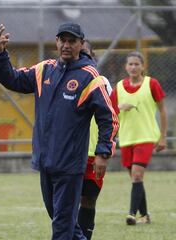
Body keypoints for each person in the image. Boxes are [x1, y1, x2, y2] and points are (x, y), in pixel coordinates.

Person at [0, 22, 118, 240]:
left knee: (62, 226)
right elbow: (13, 78)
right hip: (45, 161)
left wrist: (102, 152)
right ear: (56, 42)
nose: (66, 45)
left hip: (70, 165)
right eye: (63, 40)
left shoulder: (90, 77)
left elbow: (108, 117)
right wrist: (1, 54)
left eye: (72, 41)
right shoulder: (44, 70)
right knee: (63, 221)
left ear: (80, 44)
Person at [110, 51, 167, 225]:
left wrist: (162, 137)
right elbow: (109, 111)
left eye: (137, 64)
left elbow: (162, 111)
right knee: (136, 179)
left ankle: (131, 215)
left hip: (146, 137)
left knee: (136, 175)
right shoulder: (119, 87)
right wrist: (119, 107)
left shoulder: (152, 84)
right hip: (126, 139)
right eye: (130, 64)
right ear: (126, 67)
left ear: (143, 66)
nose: (134, 67)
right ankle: (145, 216)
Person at [78, 40, 113, 240]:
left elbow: (109, 117)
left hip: (92, 152)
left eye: (86, 54)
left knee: (88, 200)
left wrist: (104, 150)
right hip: (70, 152)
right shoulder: (62, 78)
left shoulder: (101, 82)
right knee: (66, 201)